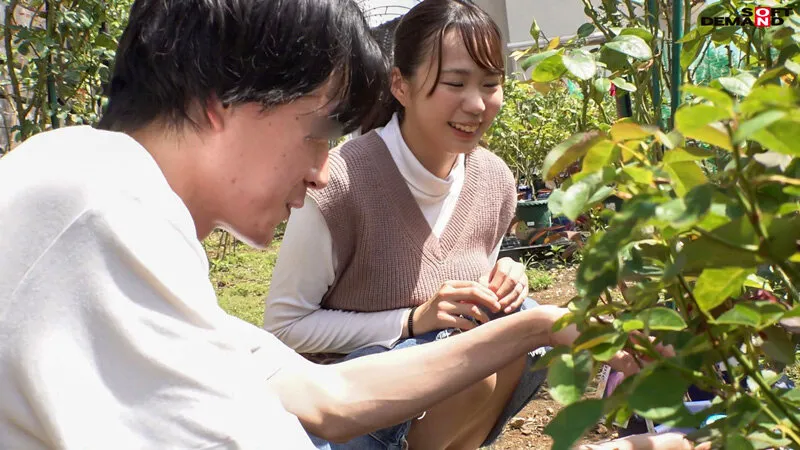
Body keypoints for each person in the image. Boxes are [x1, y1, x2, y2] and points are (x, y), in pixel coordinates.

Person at [0, 0, 666, 448]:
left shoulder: (103, 193)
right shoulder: (94, 210)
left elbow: (329, 394)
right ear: (224, 99)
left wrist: (542, 324)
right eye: (322, 130)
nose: (324, 170)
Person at [264, 1, 542, 448]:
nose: (476, 104)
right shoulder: (340, 184)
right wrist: (411, 320)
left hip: (445, 405)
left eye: (491, 84)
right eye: (454, 83)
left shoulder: (494, 181)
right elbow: (284, 328)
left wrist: (507, 274)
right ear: (401, 85)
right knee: (468, 362)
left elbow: (473, 299)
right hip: (348, 412)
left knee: (513, 332)